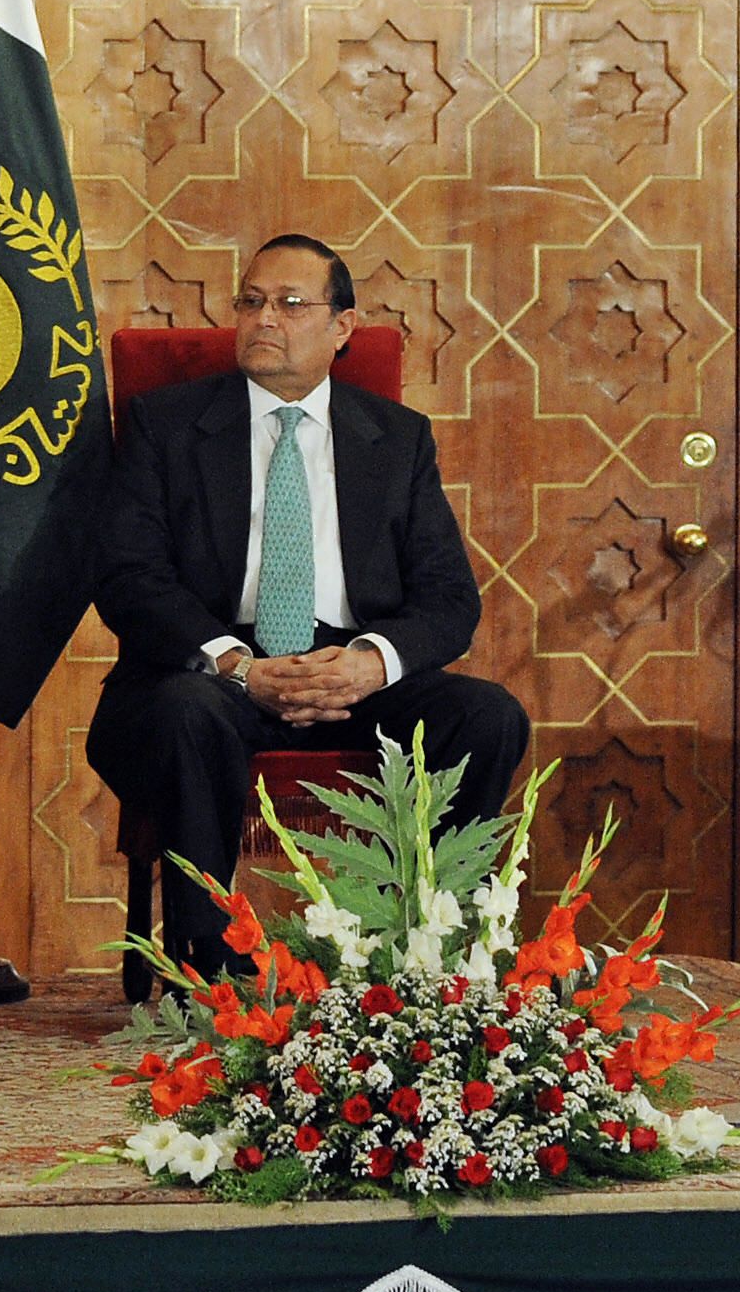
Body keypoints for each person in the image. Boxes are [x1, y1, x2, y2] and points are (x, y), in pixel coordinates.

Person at [86, 233, 527, 975]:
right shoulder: (167, 426)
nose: (266, 318)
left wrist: (367, 663)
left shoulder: (397, 438)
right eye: (252, 301)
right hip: (212, 668)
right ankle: (208, 964)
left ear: (342, 328)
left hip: (349, 671)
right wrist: (237, 665)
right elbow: (128, 576)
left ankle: (433, 954)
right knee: (189, 710)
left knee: (489, 715)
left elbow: (451, 599)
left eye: (292, 303)